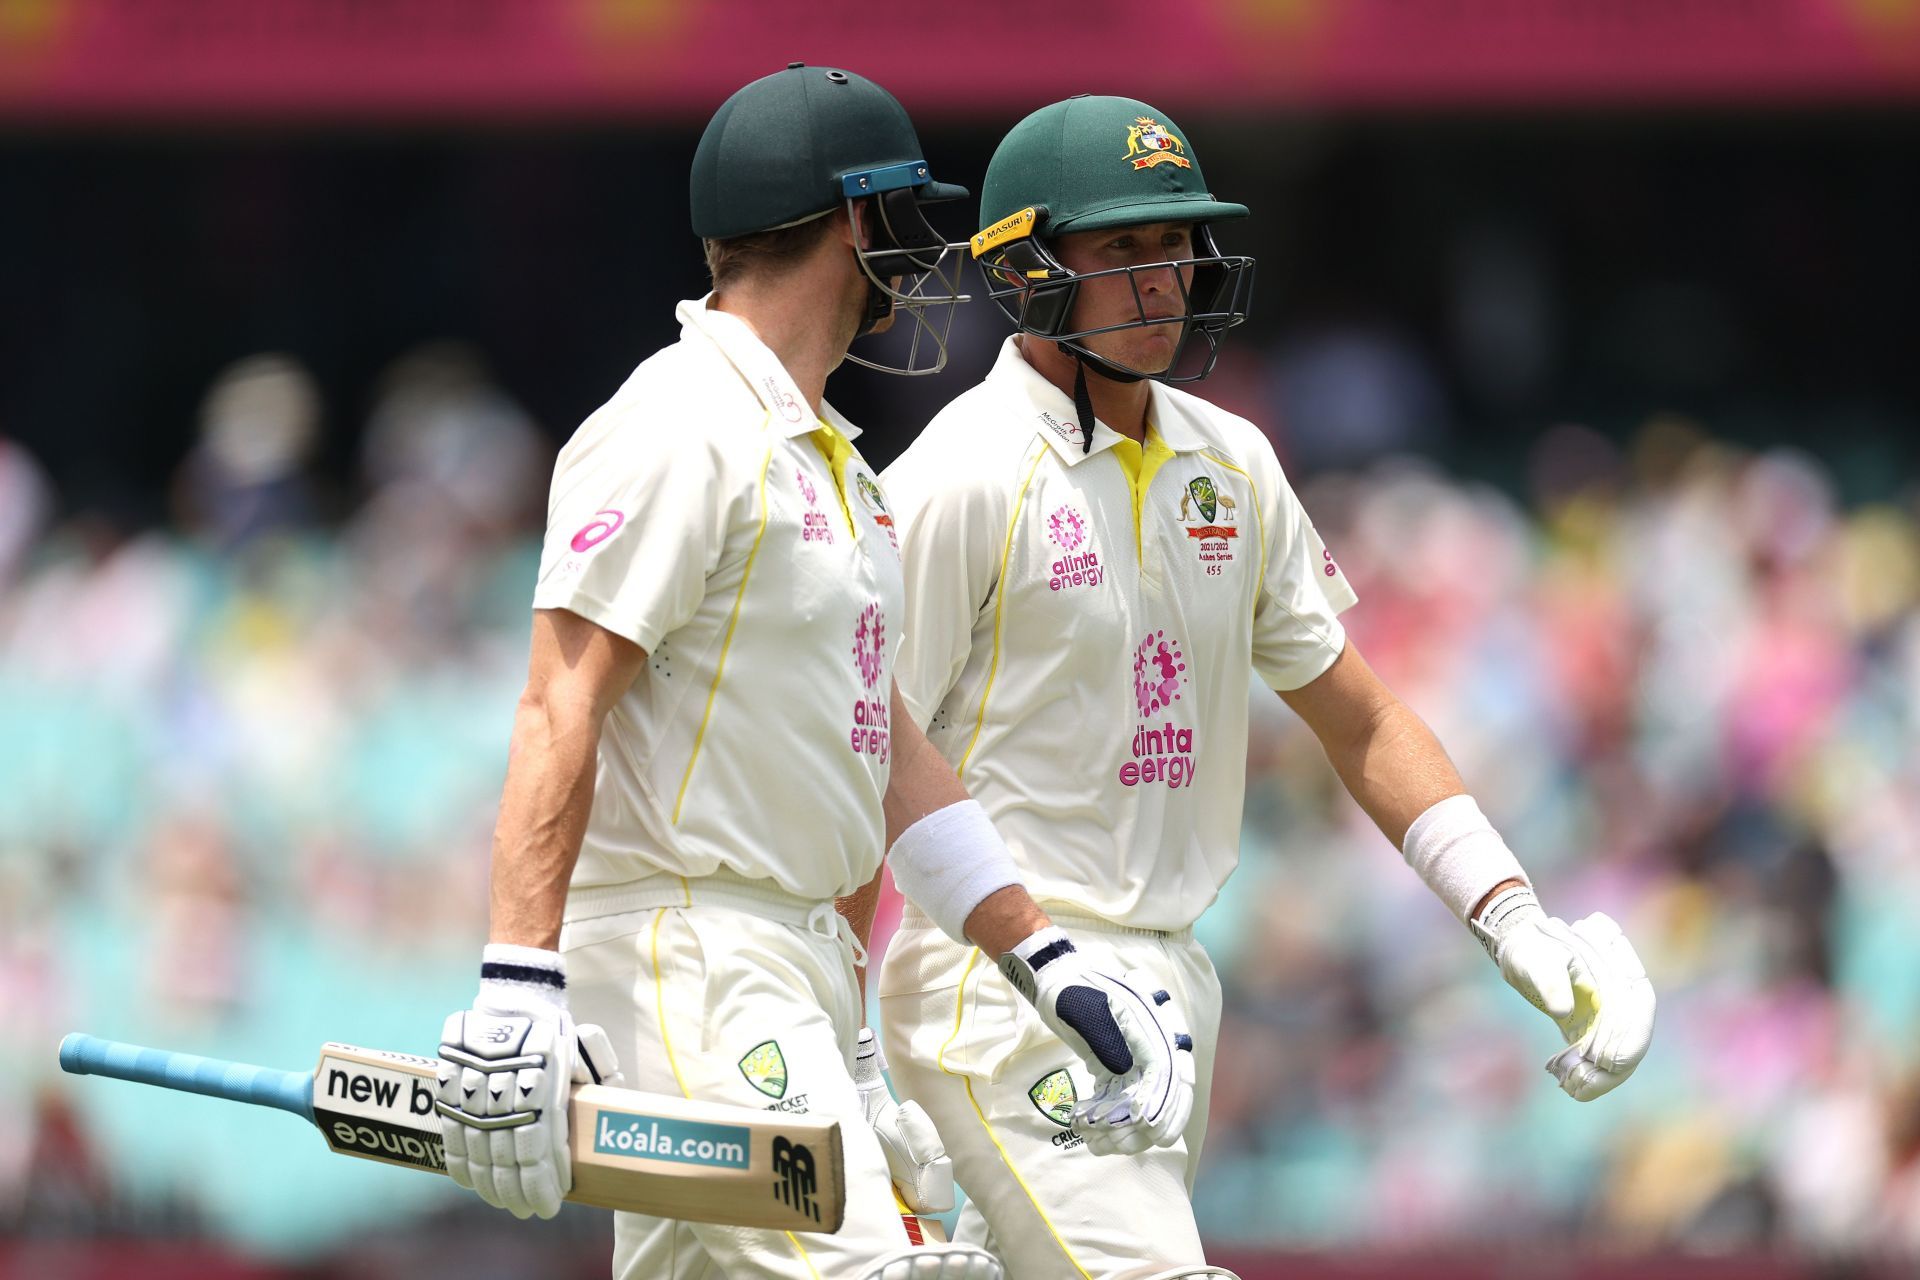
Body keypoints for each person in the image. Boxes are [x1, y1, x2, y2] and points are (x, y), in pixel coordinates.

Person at [876, 94, 1658, 1279]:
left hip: (1174, 985)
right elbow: (867, 745)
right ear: (1027, 267)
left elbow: (1363, 717)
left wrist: (1511, 913)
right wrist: (849, 1034)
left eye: (1175, 244)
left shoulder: (1231, 461)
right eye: (1122, 250)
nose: (1165, 279)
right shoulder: (958, 477)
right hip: (1003, 984)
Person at [430, 68, 1193, 1280]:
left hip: (790, 973)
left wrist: (1042, 957)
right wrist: (521, 982)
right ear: (854, 220)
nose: (921, 253)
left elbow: (876, 745)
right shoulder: (681, 421)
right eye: (906, 216)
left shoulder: (833, 462)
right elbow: (560, 695)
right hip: (692, 960)